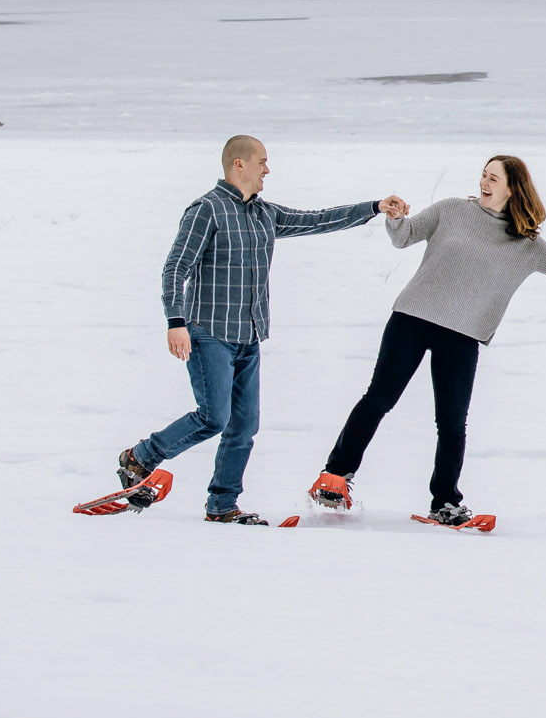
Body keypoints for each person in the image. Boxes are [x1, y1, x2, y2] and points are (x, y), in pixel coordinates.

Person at [308, 154, 546, 526]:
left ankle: (445, 502)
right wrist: (395, 216)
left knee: (452, 423)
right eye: (483, 175)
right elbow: (404, 237)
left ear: (513, 188)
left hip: (463, 334)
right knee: (378, 400)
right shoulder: (451, 210)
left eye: (493, 178)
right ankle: (335, 478)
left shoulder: (526, 244)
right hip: (412, 318)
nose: (484, 182)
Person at [116, 135, 408, 525]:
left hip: (248, 338)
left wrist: (373, 207)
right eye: (262, 162)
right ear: (239, 164)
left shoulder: (263, 214)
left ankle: (222, 504)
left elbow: (316, 219)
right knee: (212, 417)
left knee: (244, 427)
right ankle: (141, 457)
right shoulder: (206, 210)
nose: (267, 169)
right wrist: (176, 322)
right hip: (209, 333)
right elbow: (175, 268)